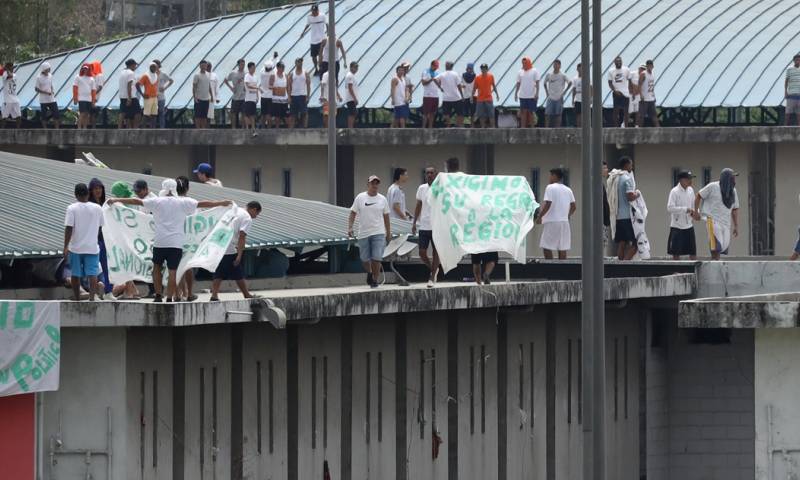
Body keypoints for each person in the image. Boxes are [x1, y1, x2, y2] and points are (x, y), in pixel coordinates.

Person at [108, 178, 232, 302]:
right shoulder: (183, 202)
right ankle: (169, 297)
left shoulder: (156, 201)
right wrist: (222, 203)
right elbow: (203, 203)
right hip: (176, 243)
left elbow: (136, 201)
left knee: (156, 268)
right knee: (173, 271)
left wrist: (116, 200)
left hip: (160, 241)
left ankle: (158, 295)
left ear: (163, 188)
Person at [210, 201, 263, 301]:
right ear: (254, 209)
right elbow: (242, 236)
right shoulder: (247, 217)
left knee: (221, 271)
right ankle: (246, 294)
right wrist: (239, 255)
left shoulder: (235, 210)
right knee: (236, 270)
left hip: (218, 242)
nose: (256, 216)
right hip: (229, 245)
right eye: (257, 213)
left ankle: (214, 295)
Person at [348, 175, 391, 288]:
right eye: (372, 183)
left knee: (376, 257)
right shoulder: (360, 198)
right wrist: (350, 227)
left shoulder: (382, 199)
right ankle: (370, 272)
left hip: (379, 232)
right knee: (364, 259)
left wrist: (388, 232)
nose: (375, 185)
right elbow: (353, 212)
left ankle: (375, 280)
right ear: (368, 184)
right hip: (364, 233)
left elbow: (386, 216)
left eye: (376, 183)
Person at [64, 183, 105, 301]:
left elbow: (69, 228)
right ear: (88, 193)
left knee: (75, 274)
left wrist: (65, 246)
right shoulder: (97, 208)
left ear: (75, 195)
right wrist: (93, 238)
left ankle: (77, 299)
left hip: (75, 248)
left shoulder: (72, 208)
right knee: (93, 273)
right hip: (92, 247)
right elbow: (100, 226)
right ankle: (92, 298)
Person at [695, 168, 740, 260]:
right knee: (716, 247)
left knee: (724, 248)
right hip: (712, 220)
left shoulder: (733, 191)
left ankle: (717, 263)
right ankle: (714, 265)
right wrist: (696, 211)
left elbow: (734, 209)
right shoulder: (713, 186)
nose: (734, 180)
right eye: (733, 177)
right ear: (727, 178)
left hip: (726, 223)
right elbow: (699, 195)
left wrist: (736, 226)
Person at [109, 181, 143, 299]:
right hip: (133, 238)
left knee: (127, 265)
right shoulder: (131, 201)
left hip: (127, 238)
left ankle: (129, 292)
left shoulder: (126, 203)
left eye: (116, 194)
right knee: (128, 264)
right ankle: (133, 290)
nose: (114, 196)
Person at [536, 167, 576, 259]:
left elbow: (548, 204)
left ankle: (550, 267)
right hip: (564, 222)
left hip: (552, 221)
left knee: (546, 246)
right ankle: (562, 269)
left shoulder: (550, 187)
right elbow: (574, 207)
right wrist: (567, 215)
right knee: (562, 247)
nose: (549, 178)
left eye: (550, 175)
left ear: (554, 176)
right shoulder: (568, 189)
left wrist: (540, 216)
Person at [412, 167, 440, 288]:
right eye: (427, 173)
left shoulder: (440, 189)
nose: (429, 175)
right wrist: (414, 222)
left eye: (431, 173)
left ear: (436, 174)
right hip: (424, 225)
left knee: (435, 252)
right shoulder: (422, 188)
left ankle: (432, 277)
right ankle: (433, 269)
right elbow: (418, 205)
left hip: (437, 225)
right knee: (422, 252)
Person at [609, 156, 640, 260]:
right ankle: (625, 264)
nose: (632, 166)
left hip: (618, 216)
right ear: (627, 165)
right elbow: (630, 197)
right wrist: (637, 194)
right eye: (631, 164)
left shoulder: (616, 178)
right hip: (627, 216)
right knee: (636, 244)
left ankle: (619, 265)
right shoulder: (627, 178)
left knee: (622, 243)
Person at [87, 178, 113, 296]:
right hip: (93, 240)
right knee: (93, 269)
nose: (98, 191)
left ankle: (108, 292)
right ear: (91, 191)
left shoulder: (106, 205)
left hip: (105, 240)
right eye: (95, 188)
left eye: (100, 188)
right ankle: (94, 293)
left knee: (108, 267)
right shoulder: (89, 205)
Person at [667, 170, 698, 260]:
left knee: (692, 251)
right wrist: (685, 209)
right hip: (677, 226)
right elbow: (670, 208)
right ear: (681, 180)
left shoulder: (691, 190)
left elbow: (693, 205)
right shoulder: (674, 191)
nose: (690, 181)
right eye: (688, 179)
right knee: (676, 252)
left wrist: (696, 212)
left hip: (689, 225)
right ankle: (676, 271)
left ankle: (693, 271)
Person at [543, 60, 571, 128]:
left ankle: (557, 128)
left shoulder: (563, 75)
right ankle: (546, 128)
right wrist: (547, 92)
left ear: (560, 66)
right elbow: (544, 83)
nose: (555, 66)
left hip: (559, 97)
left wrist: (565, 92)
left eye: (557, 64)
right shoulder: (549, 74)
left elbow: (570, 83)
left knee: (558, 114)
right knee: (547, 114)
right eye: (554, 64)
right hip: (551, 96)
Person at [300, 4, 326, 74]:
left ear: (318, 10)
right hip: (313, 40)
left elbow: (327, 24)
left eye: (315, 11)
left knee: (321, 55)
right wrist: (303, 32)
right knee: (313, 56)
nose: (313, 13)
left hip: (321, 39)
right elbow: (307, 24)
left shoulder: (322, 16)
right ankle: (316, 68)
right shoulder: (309, 17)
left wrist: (329, 33)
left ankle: (322, 68)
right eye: (312, 11)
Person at [515, 57, 540, 128]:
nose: (524, 64)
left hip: (531, 95)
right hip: (522, 95)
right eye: (523, 63)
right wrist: (516, 93)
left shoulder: (534, 71)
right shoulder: (520, 72)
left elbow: (537, 82)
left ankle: (532, 127)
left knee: (531, 112)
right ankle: (523, 127)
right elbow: (518, 83)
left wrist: (537, 93)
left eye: (525, 63)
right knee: (523, 112)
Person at [607, 56, 632, 127]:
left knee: (626, 111)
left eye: (620, 61)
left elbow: (630, 80)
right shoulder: (611, 71)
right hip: (616, 92)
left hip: (625, 93)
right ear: (614, 62)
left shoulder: (626, 69)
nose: (619, 63)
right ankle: (616, 126)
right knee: (616, 111)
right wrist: (614, 90)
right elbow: (610, 82)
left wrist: (630, 91)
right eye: (617, 61)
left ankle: (626, 126)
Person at [287, 58, 311, 128]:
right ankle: (291, 128)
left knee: (304, 113)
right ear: (295, 63)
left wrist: (308, 96)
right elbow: (289, 86)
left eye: (300, 62)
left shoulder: (305, 73)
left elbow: (308, 85)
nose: (299, 63)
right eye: (298, 62)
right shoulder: (292, 74)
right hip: (294, 95)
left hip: (302, 95)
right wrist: (289, 97)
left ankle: (305, 128)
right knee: (293, 114)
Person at [439, 61, 463, 127]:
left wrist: (440, 87)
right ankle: (458, 125)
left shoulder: (442, 74)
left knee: (446, 113)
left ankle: (448, 125)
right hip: (456, 97)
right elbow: (459, 85)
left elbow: (435, 79)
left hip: (446, 97)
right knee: (459, 113)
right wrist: (462, 95)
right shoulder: (455, 74)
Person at [474, 63, 499, 128]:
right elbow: (474, 88)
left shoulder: (491, 76)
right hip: (480, 99)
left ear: (487, 69)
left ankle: (492, 127)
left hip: (488, 98)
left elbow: (493, 85)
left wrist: (497, 94)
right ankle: (482, 127)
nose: (483, 70)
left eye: (484, 68)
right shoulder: (477, 77)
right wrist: (471, 95)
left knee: (491, 114)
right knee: (481, 114)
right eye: (482, 68)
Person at [36, 62, 59, 129]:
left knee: (56, 114)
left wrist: (52, 90)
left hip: (51, 99)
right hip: (43, 100)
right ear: (44, 69)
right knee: (44, 115)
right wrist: (45, 92)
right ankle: (45, 129)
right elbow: (36, 89)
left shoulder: (50, 75)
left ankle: (57, 129)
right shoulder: (39, 77)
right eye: (48, 69)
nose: (49, 70)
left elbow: (51, 85)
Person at [72, 64, 96, 129]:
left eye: (86, 69)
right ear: (82, 69)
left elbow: (93, 91)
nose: (85, 70)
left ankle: (85, 127)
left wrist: (93, 101)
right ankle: (79, 127)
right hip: (81, 98)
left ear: (89, 69)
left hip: (89, 98)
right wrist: (75, 98)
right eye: (84, 68)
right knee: (82, 113)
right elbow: (75, 88)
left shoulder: (91, 78)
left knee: (87, 114)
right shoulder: (78, 77)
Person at [225, 59, 246, 129]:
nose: (243, 66)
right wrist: (231, 88)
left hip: (244, 96)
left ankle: (243, 127)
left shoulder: (246, 73)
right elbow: (225, 80)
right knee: (233, 113)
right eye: (241, 64)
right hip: (235, 96)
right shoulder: (233, 73)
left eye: (244, 64)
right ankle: (233, 127)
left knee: (243, 113)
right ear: (238, 65)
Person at [118, 58, 139, 129]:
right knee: (137, 112)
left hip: (122, 95)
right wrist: (129, 98)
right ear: (132, 65)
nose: (135, 67)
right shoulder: (131, 73)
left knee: (123, 112)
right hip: (131, 96)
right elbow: (129, 85)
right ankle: (135, 127)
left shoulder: (122, 72)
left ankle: (119, 128)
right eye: (135, 65)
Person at [137, 62, 159, 128]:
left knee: (154, 114)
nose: (154, 68)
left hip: (155, 97)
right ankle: (143, 128)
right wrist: (142, 94)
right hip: (148, 97)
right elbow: (137, 85)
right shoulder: (146, 76)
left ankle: (153, 128)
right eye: (152, 67)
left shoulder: (156, 75)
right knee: (146, 114)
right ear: (149, 67)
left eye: (155, 67)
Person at [421, 60, 442, 128]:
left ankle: (430, 127)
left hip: (435, 95)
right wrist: (431, 80)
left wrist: (440, 85)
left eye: (437, 67)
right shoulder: (425, 72)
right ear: (432, 65)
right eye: (435, 66)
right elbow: (423, 83)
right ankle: (423, 127)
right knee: (426, 113)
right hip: (427, 95)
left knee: (433, 113)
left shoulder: (437, 73)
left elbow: (439, 83)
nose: (436, 68)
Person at [152, 59, 173, 128]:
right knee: (153, 113)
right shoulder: (151, 74)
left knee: (161, 112)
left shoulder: (163, 74)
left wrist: (165, 87)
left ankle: (162, 127)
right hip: (153, 96)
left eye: (156, 65)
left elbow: (171, 80)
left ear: (158, 66)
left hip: (161, 96)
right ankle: (153, 128)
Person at [192, 60, 212, 129]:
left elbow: (209, 86)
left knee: (204, 115)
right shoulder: (197, 75)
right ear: (200, 66)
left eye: (205, 65)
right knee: (198, 115)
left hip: (206, 98)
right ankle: (198, 128)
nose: (204, 67)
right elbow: (194, 86)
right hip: (199, 98)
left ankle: (203, 128)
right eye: (202, 65)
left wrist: (211, 96)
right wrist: (194, 97)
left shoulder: (208, 75)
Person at [639, 60, 658, 127]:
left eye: (651, 65)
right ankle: (639, 129)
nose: (649, 67)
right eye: (648, 65)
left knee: (654, 115)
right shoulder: (643, 74)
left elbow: (652, 86)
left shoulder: (653, 74)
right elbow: (639, 85)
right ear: (646, 66)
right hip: (644, 98)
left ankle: (658, 129)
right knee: (641, 115)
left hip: (651, 97)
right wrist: (641, 95)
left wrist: (654, 96)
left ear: (653, 66)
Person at [270, 61, 289, 128]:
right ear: (277, 67)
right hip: (276, 99)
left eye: (283, 67)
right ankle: (277, 128)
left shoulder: (286, 75)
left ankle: (288, 129)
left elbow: (288, 87)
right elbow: (269, 86)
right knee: (277, 115)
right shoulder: (273, 75)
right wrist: (276, 89)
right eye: (281, 67)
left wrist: (289, 97)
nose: (282, 68)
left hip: (284, 98)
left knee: (286, 115)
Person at [1, 62, 21, 129]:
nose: (13, 68)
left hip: (15, 97)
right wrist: (6, 69)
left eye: (13, 67)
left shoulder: (15, 75)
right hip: (8, 99)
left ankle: (18, 129)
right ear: (8, 68)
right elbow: (8, 76)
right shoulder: (4, 74)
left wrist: (6, 68)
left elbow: (11, 76)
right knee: (4, 116)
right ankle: (2, 129)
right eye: (11, 67)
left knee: (19, 115)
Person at [243, 61, 260, 136]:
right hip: (248, 98)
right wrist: (258, 88)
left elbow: (255, 87)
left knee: (252, 114)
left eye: (254, 68)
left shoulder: (255, 77)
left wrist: (257, 96)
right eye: (253, 68)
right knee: (247, 114)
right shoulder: (247, 76)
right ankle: (247, 128)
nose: (254, 69)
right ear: (249, 68)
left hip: (253, 98)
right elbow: (248, 85)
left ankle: (253, 128)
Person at [342, 61, 359, 128]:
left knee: (353, 113)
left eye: (357, 68)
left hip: (351, 98)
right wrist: (354, 98)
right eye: (355, 67)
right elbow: (350, 87)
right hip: (350, 98)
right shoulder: (350, 76)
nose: (356, 69)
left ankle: (350, 126)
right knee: (352, 113)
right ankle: (350, 127)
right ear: (351, 67)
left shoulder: (351, 76)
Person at [572, 63, 589, 128]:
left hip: (585, 98)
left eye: (582, 68)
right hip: (577, 98)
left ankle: (585, 127)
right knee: (578, 114)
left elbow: (590, 87)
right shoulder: (575, 78)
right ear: (577, 69)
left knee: (585, 114)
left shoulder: (586, 77)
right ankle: (579, 127)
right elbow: (573, 89)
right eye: (579, 68)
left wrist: (591, 98)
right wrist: (573, 99)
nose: (580, 70)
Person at [89, 61, 104, 128]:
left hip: (94, 97)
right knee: (91, 112)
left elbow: (100, 87)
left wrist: (93, 94)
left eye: (93, 67)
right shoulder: (93, 76)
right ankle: (92, 126)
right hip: (92, 96)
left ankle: (93, 126)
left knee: (93, 112)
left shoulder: (99, 75)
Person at [260, 60, 275, 128]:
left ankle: (263, 127)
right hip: (270, 96)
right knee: (269, 114)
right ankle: (269, 128)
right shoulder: (272, 74)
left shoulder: (262, 72)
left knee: (263, 113)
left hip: (263, 95)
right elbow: (271, 85)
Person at [786, 54, 800, 126]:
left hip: (799, 94)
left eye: (799, 60)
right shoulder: (789, 69)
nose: (798, 61)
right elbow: (786, 80)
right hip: (791, 93)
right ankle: (786, 126)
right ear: (794, 61)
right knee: (788, 112)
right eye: (796, 60)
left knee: (798, 112)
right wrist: (786, 92)